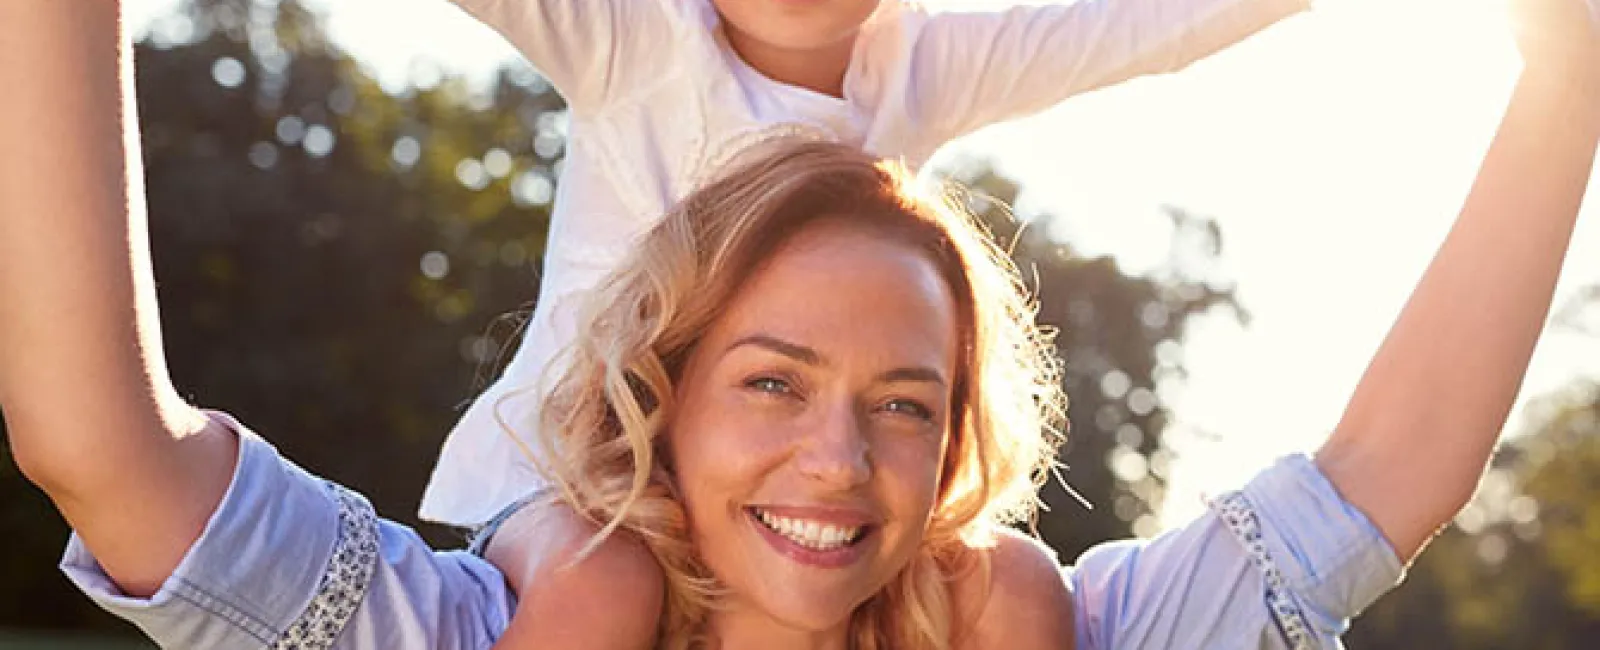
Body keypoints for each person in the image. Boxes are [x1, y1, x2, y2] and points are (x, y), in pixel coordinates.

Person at [3, 1, 1598, 649]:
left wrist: (1571, 75)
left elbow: (1388, 470)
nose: (838, 455)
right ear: (666, 393)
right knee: (599, 574)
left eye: (907, 400)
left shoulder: (1021, 616)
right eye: (773, 380)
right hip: (552, 499)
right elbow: (102, 444)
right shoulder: (525, 607)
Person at [422, 0, 1318, 533]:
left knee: (1002, 588)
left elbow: (1128, 26)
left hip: (796, 497)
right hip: (576, 490)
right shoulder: (631, 36)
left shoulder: (920, 63)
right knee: (599, 591)